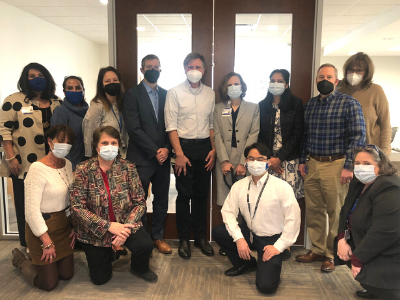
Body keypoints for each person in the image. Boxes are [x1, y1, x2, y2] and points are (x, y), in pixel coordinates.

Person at [296, 63, 366, 272]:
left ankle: (332, 254)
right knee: (315, 210)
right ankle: (317, 249)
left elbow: (358, 137)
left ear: (336, 81)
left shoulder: (349, 103)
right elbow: (305, 136)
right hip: (312, 164)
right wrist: (301, 160)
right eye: (320, 77)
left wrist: (349, 166)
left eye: (329, 77)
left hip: (336, 165)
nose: (324, 80)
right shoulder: (310, 105)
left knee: (336, 212)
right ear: (316, 80)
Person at [70, 126, 157, 284]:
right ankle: (109, 252)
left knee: (145, 244)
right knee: (100, 279)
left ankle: (139, 268)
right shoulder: (83, 170)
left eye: (113, 142)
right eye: (104, 142)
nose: (109, 146)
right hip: (96, 230)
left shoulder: (128, 167)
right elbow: (77, 207)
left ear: (119, 145)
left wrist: (126, 228)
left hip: (125, 225)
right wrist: (108, 226)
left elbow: (139, 201)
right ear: (96, 146)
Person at [212, 143, 300, 294]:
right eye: (251, 159)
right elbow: (227, 212)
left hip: (271, 240)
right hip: (249, 233)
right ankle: (246, 263)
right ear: (245, 161)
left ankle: (273, 260)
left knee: (266, 287)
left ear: (268, 162)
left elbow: (293, 220)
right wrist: (239, 239)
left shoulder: (281, 187)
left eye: (260, 159)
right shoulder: (239, 186)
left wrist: (278, 246)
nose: (255, 163)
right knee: (219, 232)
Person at [0, 62, 62, 248]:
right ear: (25, 79)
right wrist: (11, 158)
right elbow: (4, 131)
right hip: (24, 164)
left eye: (41, 75)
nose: (37, 79)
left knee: (50, 203)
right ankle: (29, 246)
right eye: (32, 76)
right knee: (27, 205)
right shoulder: (14, 100)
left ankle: (52, 241)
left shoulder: (57, 101)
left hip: (52, 164)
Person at [11, 124, 75, 291]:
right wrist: (46, 242)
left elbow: (70, 199)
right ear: (49, 141)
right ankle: (21, 260)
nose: (65, 146)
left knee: (67, 274)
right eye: (61, 141)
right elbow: (31, 212)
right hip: (42, 230)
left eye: (68, 143)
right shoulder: (37, 169)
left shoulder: (67, 164)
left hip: (63, 226)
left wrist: (73, 227)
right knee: (48, 283)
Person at [165, 52, 216, 259]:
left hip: (204, 147)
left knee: (201, 195)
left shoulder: (210, 94)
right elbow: (171, 126)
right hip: (183, 148)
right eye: (191, 67)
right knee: (184, 195)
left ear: (204, 70)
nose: (195, 71)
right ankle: (184, 239)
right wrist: (178, 153)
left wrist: (213, 149)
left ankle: (201, 238)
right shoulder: (174, 92)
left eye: (199, 67)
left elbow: (211, 124)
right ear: (184, 69)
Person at [336, 145, 400, 300]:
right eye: (357, 163)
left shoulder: (389, 187)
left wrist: (358, 258)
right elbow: (345, 211)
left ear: (380, 166)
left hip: (390, 250)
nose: (360, 168)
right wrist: (340, 238)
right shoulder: (358, 182)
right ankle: (374, 286)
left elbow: (384, 231)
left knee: (371, 277)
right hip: (368, 241)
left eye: (367, 163)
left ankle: (389, 290)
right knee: (342, 249)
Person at [122, 54, 172, 254]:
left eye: (156, 67)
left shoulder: (168, 95)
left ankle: (158, 237)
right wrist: (155, 151)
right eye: (149, 66)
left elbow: (172, 126)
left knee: (161, 199)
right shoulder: (131, 95)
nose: (153, 69)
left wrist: (167, 148)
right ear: (141, 70)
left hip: (164, 157)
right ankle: (142, 239)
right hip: (141, 158)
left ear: (161, 70)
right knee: (138, 200)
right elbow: (133, 128)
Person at [258, 69, 304, 261]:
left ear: (286, 84)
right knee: (270, 203)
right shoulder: (263, 105)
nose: (275, 84)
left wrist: (280, 158)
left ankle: (285, 244)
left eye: (280, 81)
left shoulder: (296, 104)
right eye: (272, 80)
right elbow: (260, 135)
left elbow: (297, 134)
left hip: (289, 163)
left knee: (288, 205)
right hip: (269, 162)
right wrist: (271, 159)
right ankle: (271, 241)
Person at [214, 72, 259, 206]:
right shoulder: (218, 108)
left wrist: (243, 162)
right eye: (229, 85)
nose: (233, 87)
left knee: (245, 201)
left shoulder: (253, 108)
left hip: (245, 158)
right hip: (224, 160)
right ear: (225, 88)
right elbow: (217, 134)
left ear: (242, 86)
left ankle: (244, 228)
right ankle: (229, 227)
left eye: (236, 84)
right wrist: (224, 161)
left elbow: (253, 134)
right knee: (226, 202)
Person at [337, 52, 391, 156]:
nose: (354, 73)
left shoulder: (376, 91)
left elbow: (385, 125)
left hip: (370, 154)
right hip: (344, 154)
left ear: (366, 72)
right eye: (351, 69)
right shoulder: (340, 92)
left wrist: (384, 154)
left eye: (358, 70)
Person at [82, 66, 128, 158]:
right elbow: (89, 135)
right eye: (107, 81)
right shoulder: (97, 106)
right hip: (105, 156)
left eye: (115, 80)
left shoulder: (125, 103)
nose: (112, 83)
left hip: (124, 154)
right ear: (102, 85)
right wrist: (92, 158)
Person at [51, 76, 88, 171]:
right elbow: (59, 145)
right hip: (69, 167)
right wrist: (70, 168)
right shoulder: (60, 112)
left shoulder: (89, 111)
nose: (75, 91)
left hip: (86, 165)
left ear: (83, 89)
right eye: (70, 88)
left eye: (78, 87)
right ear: (64, 92)